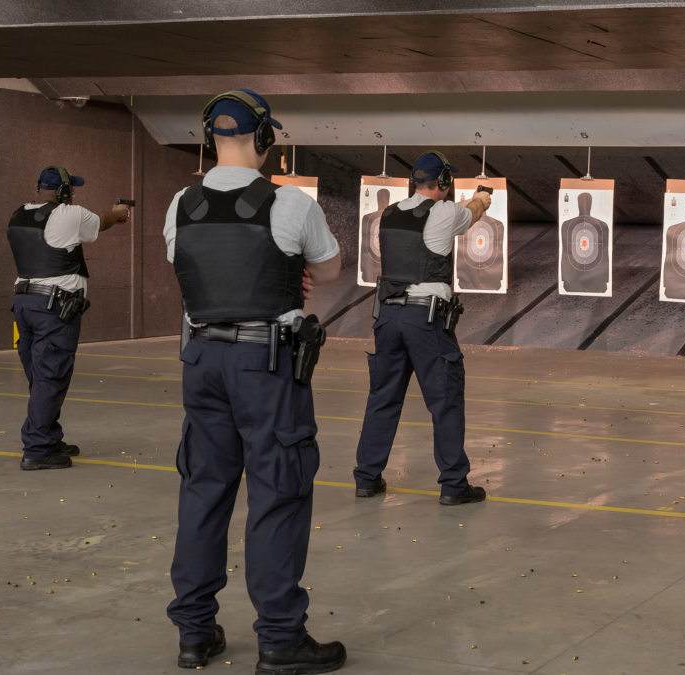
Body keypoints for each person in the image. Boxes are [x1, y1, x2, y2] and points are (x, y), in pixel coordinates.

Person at [162, 89, 346, 673]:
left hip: (202, 363)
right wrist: (290, 276)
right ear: (264, 138)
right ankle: (280, 639)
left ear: (208, 137)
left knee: (203, 490)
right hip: (266, 366)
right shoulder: (288, 203)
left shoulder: (180, 204)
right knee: (278, 491)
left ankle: (194, 633)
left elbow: (193, 271)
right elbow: (330, 268)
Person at [353, 151, 492, 505]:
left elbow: (435, 219)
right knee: (444, 401)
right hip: (425, 321)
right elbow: (471, 213)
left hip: (387, 316)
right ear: (443, 183)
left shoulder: (389, 214)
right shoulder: (446, 212)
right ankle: (453, 485)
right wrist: (482, 198)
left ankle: (367, 478)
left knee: (382, 399)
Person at [8, 166, 129, 471]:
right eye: (71, 190)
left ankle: (48, 437)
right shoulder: (69, 214)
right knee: (51, 376)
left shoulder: (18, 214)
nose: (74, 194)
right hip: (53, 307)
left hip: (24, 303)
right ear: (62, 191)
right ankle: (37, 449)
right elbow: (101, 223)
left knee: (41, 376)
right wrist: (118, 214)